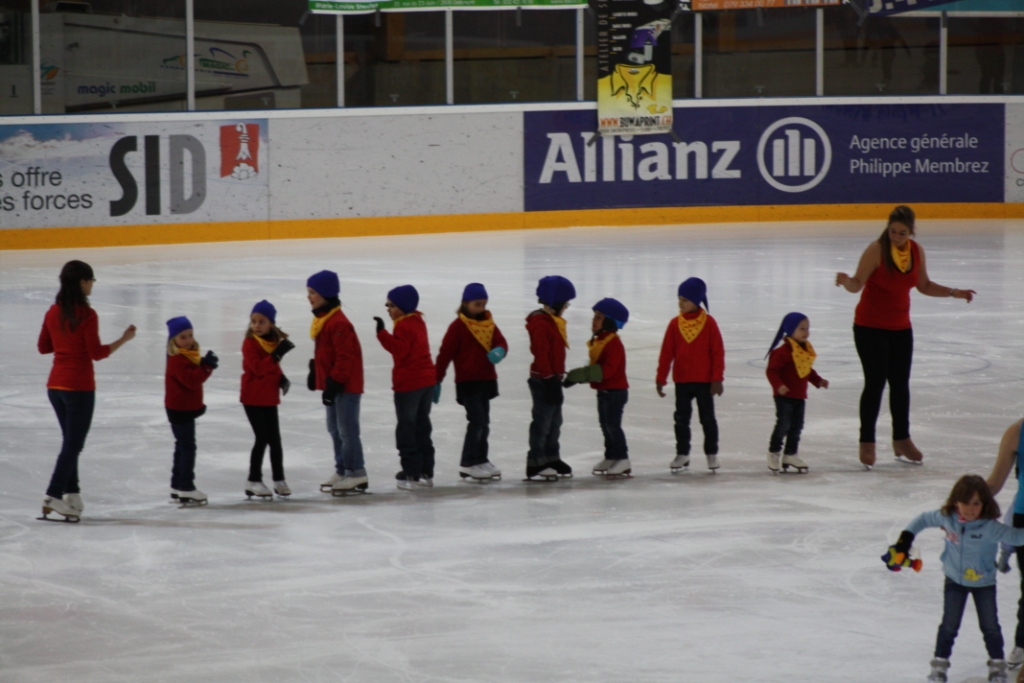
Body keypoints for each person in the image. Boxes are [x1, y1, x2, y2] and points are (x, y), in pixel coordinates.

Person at [835, 205, 975, 469]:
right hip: (869, 327)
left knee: (900, 384)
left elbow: (924, 285)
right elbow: (857, 284)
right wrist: (845, 281)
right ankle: (867, 441)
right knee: (875, 382)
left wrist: (954, 292)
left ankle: (901, 439)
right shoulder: (877, 250)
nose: (897, 237)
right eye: (893, 231)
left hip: (901, 328)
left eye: (902, 233)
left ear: (911, 232)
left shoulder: (916, 251)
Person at [883, 475, 1024, 683]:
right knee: (949, 625)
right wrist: (904, 542)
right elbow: (923, 519)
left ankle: (997, 666)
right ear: (956, 501)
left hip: (984, 584)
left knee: (990, 626)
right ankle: (939, 665)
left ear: (984, 503)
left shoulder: (990, 527)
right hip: (954, 581)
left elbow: (1017, 537)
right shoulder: (947, 518)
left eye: (976, 503)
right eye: (965, 502)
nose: (970, 509)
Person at [37, 260, 136, 522]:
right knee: (73, 444)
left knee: (70, 443)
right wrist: (124, 339)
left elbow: (44, 347)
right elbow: (97, 353)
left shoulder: (52, 312)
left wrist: (64, 341)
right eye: (91, 280)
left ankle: (72, 492)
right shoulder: (87, 315)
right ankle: (53, 494)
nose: (92, 285)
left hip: (55, 387)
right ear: (82, 282)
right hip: (78, 387)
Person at [435, 283, 508, 482]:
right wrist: (436, 380)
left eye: (483, 304)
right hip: (468, 383)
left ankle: (481, 459)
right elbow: (445, 355)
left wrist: (499, 350)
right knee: (477, 422)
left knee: (484, 423)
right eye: (477, 304)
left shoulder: (488, 323)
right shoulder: (458, 327)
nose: (481, 308)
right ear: (465, 303)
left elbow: (501, 341)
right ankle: (468, 463)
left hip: (486, 380)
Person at [307, 270, 367, 496]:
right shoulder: (323, 319)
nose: (309, 297)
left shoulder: (339, 323)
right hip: (333, 384)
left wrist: (335, 383)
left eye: (312, 292)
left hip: (346, 386)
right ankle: (342, 470)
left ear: (325, 293)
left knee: (347, 430)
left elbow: (345, 357)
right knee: (334, 429)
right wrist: (315, 371)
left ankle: (356, 472)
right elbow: (326, 354)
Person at [655, 277, 724, 473]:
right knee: (681, 420)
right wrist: (661, 378)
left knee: (708, 420)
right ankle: (682, 454)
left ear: (696, 300)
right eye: (679, 299)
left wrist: (717, 379)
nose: (680, 303)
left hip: (704, 382)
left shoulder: (709, 323)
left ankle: (711, 454)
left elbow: (717, 352)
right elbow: (666, 353)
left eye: (685, 299)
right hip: (682, 381)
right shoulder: (674, 324)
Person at [374, 285, 437, 490]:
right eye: (387, 305)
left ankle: (411, 472)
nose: (388, 310)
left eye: (392, 306)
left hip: (409, 384)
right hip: (426, 382)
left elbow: (398, 349)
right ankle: (425, 470)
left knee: (407, 428)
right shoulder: (418, 321)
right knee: (422, 425)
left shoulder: (403, 326)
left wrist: (382, 333)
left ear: (404, 306)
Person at [564, 298, 631, 478]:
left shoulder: (613, 343)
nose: (594, 321)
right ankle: (611, 456)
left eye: (599, 317)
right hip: (605, 391)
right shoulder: (601, 340)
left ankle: (622, 458)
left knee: (612, 426)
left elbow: (608, 370)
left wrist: (582, 375)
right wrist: (581, 376)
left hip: (615, 392)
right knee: (606, 426)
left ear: (609, 322)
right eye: (594, 316)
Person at [240, 300, 295, 499]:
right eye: (253, 321)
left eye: (261, 321)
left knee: (275, 440)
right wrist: (277, 355)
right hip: (253, 397)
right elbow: (258, 368)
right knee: (262, 437)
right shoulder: (250, 343)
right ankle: (253, 479)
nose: (256, 325)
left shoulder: (271, 343)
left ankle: (279, 479)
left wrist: (281, 379)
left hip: (269, 397)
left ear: (271, 323)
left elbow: (272, 368)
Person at [525, 275, 576, 481]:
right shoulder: (540, 323)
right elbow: (541, 353)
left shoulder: (552, 321)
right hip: (543, 381)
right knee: (542, 423)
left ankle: (552, 457)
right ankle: (536, 461)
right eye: (565, 305)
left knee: (555, 422)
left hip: (553, 379)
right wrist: (548, 378)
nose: (566, 308)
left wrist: (557, 377)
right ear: (555, 303)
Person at [764, 312, 828, 474]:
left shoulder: (802, 351)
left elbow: (807, 370)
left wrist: (818, 381)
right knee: (783, 425)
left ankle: (790, 454)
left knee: (796, 427)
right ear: (791, 329)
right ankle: (774, 452)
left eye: (807, 328)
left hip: (799, 396)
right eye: (802, 328)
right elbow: (772, 371)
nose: (806, 332)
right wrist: (778, 385)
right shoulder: (782, 352)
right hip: (784, 397)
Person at [165, 316, 218, 505]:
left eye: (190, 335)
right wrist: (207, 367)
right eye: (183, 337)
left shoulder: (186, 355)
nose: (188, 340)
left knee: (182, 446)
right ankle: (186, 486)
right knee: (187, 447)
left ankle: (177, 485)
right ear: (173, 340)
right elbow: (192, 380)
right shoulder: (177, 360)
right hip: (180, 410)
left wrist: (203, 364)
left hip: (181, 409)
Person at [985, 419, 1024, 673]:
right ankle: (1023, 642)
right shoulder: (1017, 432)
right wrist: (963, 502)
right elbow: (994, 483)